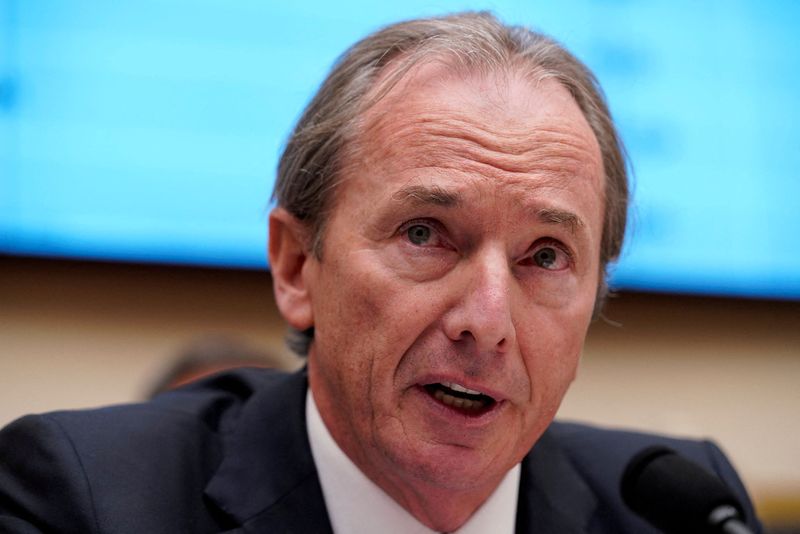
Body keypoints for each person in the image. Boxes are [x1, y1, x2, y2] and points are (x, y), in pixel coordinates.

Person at [0, 12, 762, 533]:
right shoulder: (87, 499)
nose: (487, 320)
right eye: (426, 234)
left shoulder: (677, 511)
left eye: (545, 256)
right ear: (298, 267)